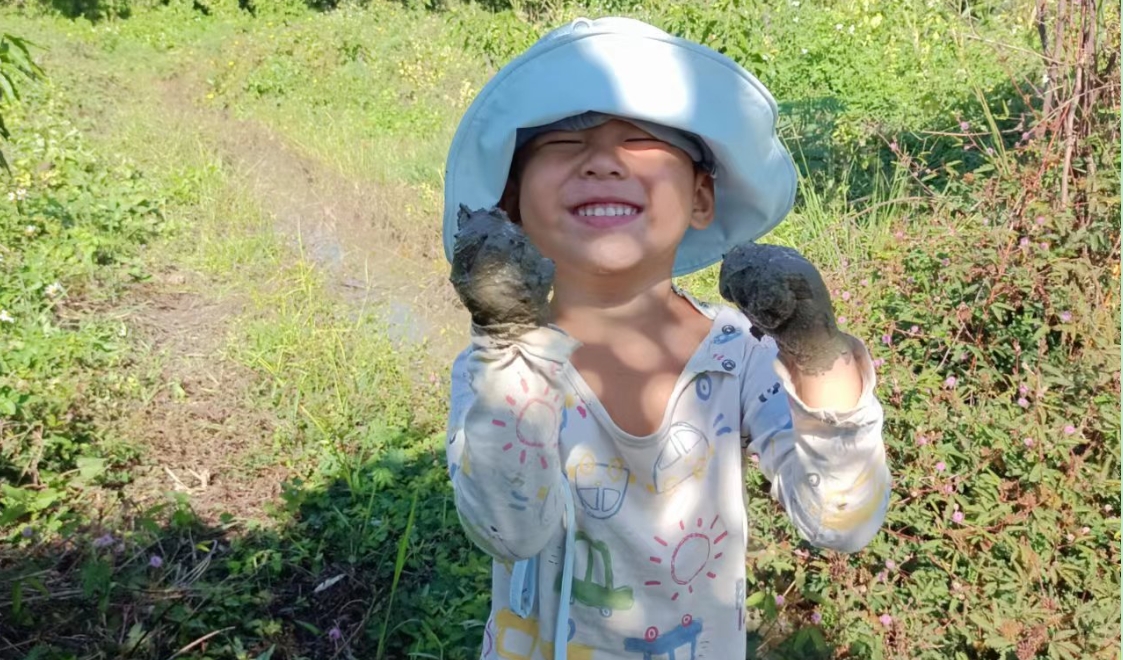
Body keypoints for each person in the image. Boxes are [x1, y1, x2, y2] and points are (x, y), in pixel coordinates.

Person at [440, 16, 891, 660]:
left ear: (702, 197)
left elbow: (841, 522)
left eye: (643, 141)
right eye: (563, 143)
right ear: (511, 203)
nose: (603, 162)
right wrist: (507, 340)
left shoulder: (739, 352)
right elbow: (507, 531)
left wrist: (815, 350)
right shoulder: (496, 367)